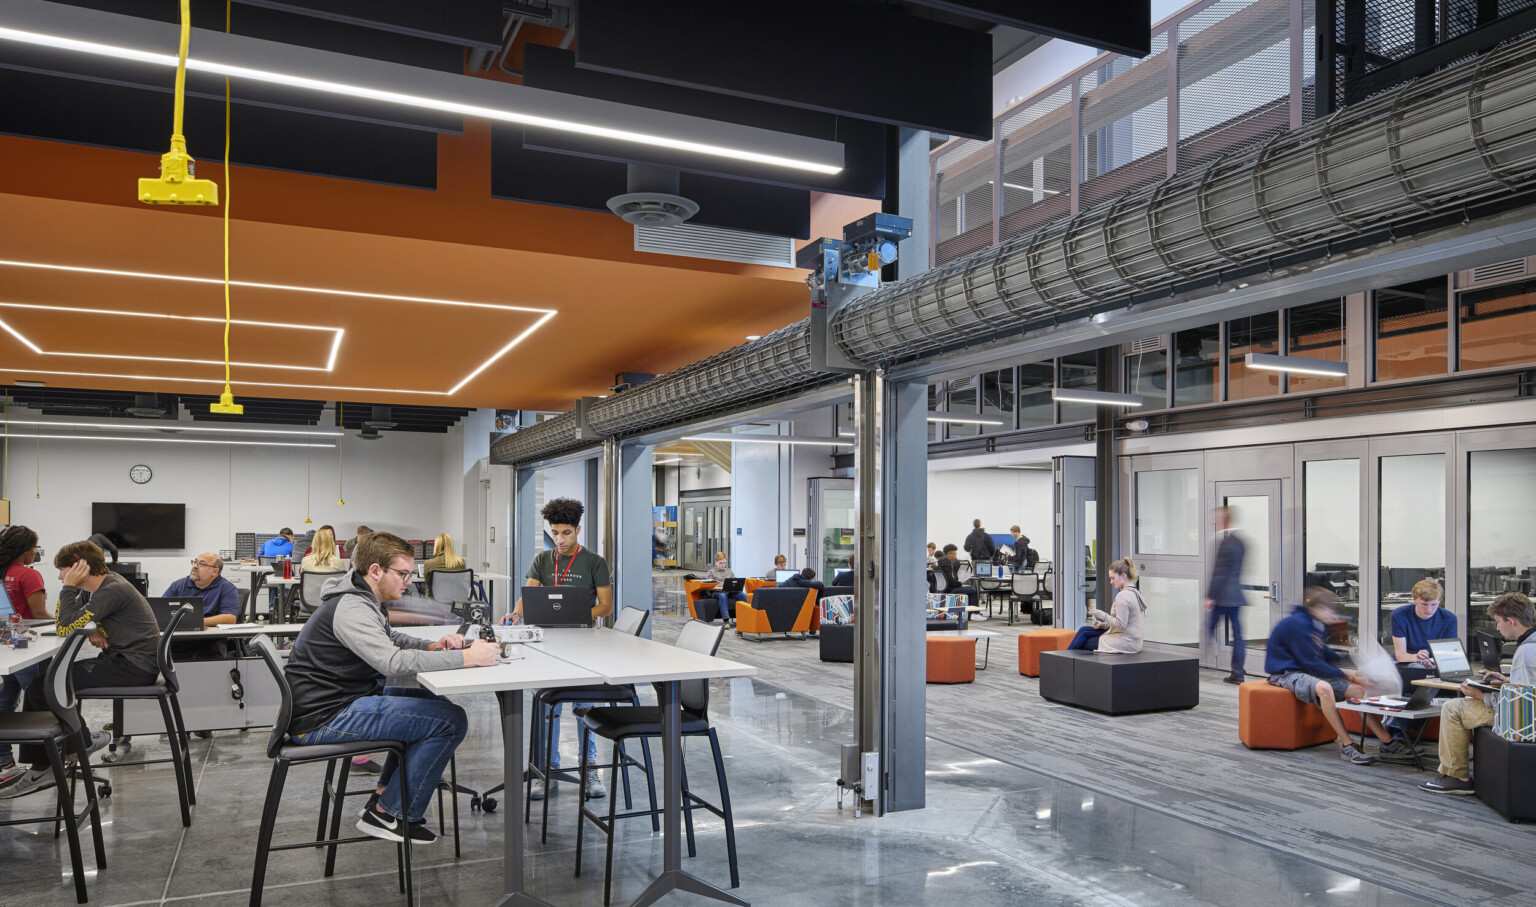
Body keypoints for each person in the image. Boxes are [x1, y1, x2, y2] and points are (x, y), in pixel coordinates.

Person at [283, 532, 498, 843]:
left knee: (430, 702)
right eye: (403, 574)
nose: (408, 582)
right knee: (450, 722)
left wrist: (434, 646)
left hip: (337, 703)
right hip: (324, 717)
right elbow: (392, 662)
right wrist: (465, 658)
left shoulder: (363, 598)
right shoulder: (351, 607)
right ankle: (391, 814)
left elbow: (392, 639)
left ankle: (386, 794)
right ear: (375, 570)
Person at [1, 540, 160, 799]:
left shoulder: (112, 590)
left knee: (46, 686)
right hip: (125, 660)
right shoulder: (102, 588)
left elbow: (65, 626)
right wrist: (93, 627)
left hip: (133, 666)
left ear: (80, 568)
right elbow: (79, 618)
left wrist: (67, 587)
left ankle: (51, 763)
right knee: (46, 683)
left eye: (63, 570)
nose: (59, 576)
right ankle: (75, 745)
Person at [504, 497, 613, 800]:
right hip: (547, 642)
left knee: (584, 706)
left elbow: (605, 606)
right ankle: (546, 771)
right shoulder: (543, 560)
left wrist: (575, 615)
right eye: (555, 533)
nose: (560, 539)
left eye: (566, 533)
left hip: (583, 643)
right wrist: (515, 613)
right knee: (547, 706)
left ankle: (589, 768)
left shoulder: (594, 562)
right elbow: (529, 595)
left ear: (578, 529)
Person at [1265, 588, 1417, 766]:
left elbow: (1322, 653)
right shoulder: (1297, 624)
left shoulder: (1315, 623)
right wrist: (1348, 676)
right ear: (1317, 608)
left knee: (1359, 691)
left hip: (1305, 669)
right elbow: (1310, 663)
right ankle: (1347, 745)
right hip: (1285, 672)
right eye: (1330, 610)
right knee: (1325, 688)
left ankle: (1387, 743)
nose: (1333, 615)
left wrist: (1353, 659)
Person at [1419, 592, 1536, 795]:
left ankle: (1457, 776)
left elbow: (1522, 704)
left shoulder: (1526, 652)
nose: (1497, 628)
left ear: (1511, 621)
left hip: (1526, 721)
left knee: (1453, 708)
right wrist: (1508, 680)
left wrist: (1481, 696)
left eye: (1499, 622)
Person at [0, 525, 49, 785]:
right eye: (35, 548)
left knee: (4, 702)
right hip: (27, 644)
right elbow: (38, 616)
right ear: (26, 550)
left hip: (5, 642)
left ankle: (4, 762)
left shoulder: (3, 572)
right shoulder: (28, 575)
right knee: (41, 700)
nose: (35, 553)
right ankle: (49, 758)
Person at [1204, 505, 1247, 684]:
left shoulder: (1226, 542)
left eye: (1216, 520)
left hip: (1222, 596)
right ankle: (1238, 673)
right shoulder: (1241, 542)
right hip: (1236, 595)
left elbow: (1220, 572)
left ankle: (1199, 660)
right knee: (1238, 635)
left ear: (1224, 520)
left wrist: (1210, 596)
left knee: (1209, 627)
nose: (1214, 523)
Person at [1067, 559, 1145, 653]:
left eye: (1113, 578)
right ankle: (1065, 660)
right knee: (1084, 630)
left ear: (1123, 576)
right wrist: (1103, 625)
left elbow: (1121, 625)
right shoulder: (1135, 592)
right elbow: (1126, 622)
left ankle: (1064, 661)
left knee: (1085, 641)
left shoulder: (1123, 596)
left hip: (1126, 642)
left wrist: (1101, 615)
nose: (1111, 582)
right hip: (1134, 641)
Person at [162, 552, 240, 628]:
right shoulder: (178, 585)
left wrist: (196, 622)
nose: (195, 566)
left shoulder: (227, 588)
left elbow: (230, 619)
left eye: (202, 564)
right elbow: (160, 609)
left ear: (215, 571)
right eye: (195, 562)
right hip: (181, 635)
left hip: (211, 637)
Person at [933, 544, 979, 612]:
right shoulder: (946, 562)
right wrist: (959, 584)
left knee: (969, 588)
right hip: (950, 589)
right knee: (972, 591)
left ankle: (970, 613)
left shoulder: (943, 561)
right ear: (949, 554)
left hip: (946, 588)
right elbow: (950, 580)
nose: (955, 556)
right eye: (954, 554)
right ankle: (974, 613)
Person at [703, 552, 745, 624]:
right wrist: (721, 587)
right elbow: (709, 587)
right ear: (716, 561)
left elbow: (733, 582)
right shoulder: (711, 572)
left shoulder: (729, 572)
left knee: (742, 595)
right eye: (720, 563)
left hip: (729, 592)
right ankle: (726, 620)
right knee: (723, 595)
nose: (723, 565)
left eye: (724, 563)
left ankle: (747, 616)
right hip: (716, 593)